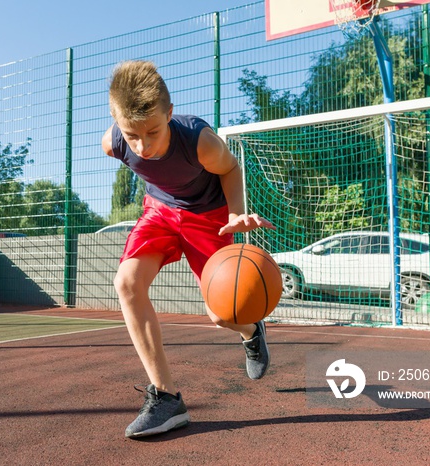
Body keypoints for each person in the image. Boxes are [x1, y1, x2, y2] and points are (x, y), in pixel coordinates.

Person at [101, 60, 275, 439]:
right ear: (118, 124)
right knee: (127, 284)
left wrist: (237, 214)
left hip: (208, 217)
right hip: (160, 211)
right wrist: (131, 144)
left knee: (221, 314)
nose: (142, 146)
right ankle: (166, 398)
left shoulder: (200, 141)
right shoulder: (113, 143)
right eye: (132, 135)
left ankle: (250, 331)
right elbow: (137, 154)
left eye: (153, 132)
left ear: (170, 113)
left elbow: (231, 170)